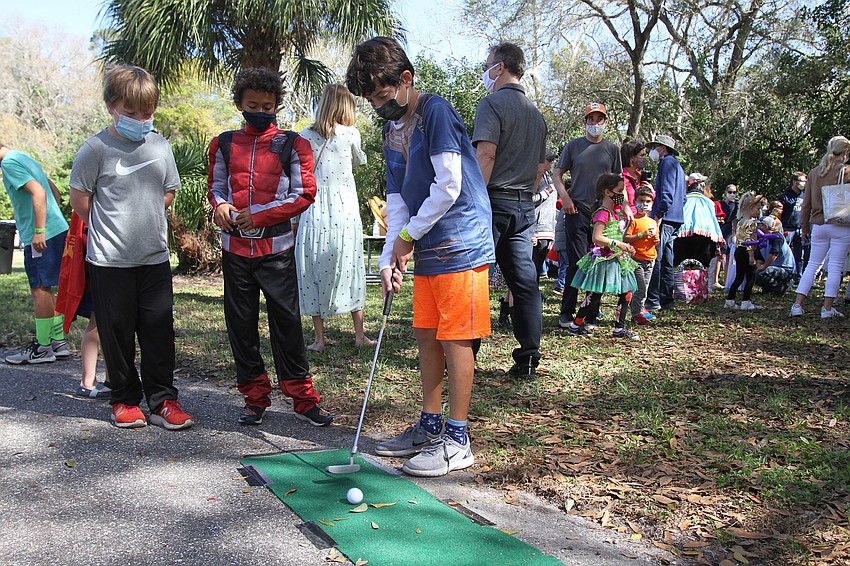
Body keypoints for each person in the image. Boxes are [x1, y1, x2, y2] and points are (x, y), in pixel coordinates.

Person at [346, 37, 495, 476]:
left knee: (456, 338)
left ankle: (457, 438)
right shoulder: (392, 130)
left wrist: (408, 236)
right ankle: (430, 427)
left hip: (461, 242)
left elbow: (448, 186)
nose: (377, 105)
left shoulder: (436, 112)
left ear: (405, 80)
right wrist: (390, 252)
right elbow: (396, 198)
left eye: (381, 94)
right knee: (427, 335)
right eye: (370, 98)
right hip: (426, 244)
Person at [69, 65, 193, 429]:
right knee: (117, 331)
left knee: (158, 331)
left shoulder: (159, 144)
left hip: (153, 257)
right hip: (109, 259)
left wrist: (144, 215)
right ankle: (124, 399)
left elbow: (168, 190)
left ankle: (163, 402)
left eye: (147, 113)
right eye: (131, 112)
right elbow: (80, 199)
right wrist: (113, 224)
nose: (140, 120)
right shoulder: (95, 149)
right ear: (111, 106)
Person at [208, 67, 333, 427]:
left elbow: (304, 193)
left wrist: (259, 215)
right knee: (241, 325)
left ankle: (303, 399)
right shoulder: (224, 142)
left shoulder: (295, 144)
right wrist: (220, 206)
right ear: (239, 104)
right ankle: (254, 396)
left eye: (267, 105)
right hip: (234, 252)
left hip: (276, 252)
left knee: (287, 324)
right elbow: (216, 185)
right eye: (252, 104)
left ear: (277, 105)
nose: (260, 111)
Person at [472, 42, 547, 378]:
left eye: (487, 64)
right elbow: (539, 168)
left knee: (475, 279)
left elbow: (485, 155)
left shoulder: (491, 104)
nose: (485, 70)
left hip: (492, 202)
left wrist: (472, 200)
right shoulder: (536, 114)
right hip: (523, 206)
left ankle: (465, 355)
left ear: (499, 67)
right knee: (524, 282)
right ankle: (529, 356)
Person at [294, 84, 374, 352]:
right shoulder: (351, 133)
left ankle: (319, 338)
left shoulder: (303, 135)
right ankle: (359, 334)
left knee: (313, 267)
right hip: (344, 208)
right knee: (351, 265)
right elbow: (358, 161)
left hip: (314, 208)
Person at [554, 103, 623, 328]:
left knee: (599, 264)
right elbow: (557, 174)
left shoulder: (612, 149)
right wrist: (565, 197)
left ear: (605, 122)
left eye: (599, 119)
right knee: (576, 263)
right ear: (584, 122)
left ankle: (591, 314)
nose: (595, 123)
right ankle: (567, 314)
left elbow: (618, 183)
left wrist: (622, 208)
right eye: (590, 119)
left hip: (602, 214)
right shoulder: (574, 146)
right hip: (576, 210)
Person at [1, 143, 70, 364]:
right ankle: (57, 341)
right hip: (56, 229)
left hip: (41, 233)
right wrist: (50, 222)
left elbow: (39, 192)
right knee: (48, 285)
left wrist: (40, 230)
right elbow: (53, 191)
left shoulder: (9, 163)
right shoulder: (22, 156)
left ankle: (42, 348)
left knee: (39, 288)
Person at [564, 173, 639, 339]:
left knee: (626, 292)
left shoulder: (615, 213)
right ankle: (576, 325)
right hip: (604, 260)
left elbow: (617, 235)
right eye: (619, 191)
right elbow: (596, 238)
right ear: (607, 192)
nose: (622, 196)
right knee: (595, 294)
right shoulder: (602, 213)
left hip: (618, 259)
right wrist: (617, 244)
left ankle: (619, 328)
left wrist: (625, 247)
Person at [790, 136, 850, 318]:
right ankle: (827, 308)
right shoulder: (847, 172)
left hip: (818, 225)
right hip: (841, 224)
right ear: (846, 152)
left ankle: (797, 305)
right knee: (835, 267)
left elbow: (806, 204)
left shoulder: (815, 173)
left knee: (812, 265)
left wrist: (805, 227)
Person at [55, 211, 111, 398]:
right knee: (98, 323)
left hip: (105, 263)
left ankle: (113, 380)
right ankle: (87, 382)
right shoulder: (92, 198)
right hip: (98, 266)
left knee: (112, 325)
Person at [645, 134, 686, 312]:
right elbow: (682, 198)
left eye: (654, 147)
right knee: (667, 260)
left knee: (656, 257)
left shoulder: (667, 163)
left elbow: (666, 193)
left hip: (666, 217)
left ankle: (653, 299)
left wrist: (659, 214)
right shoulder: (678, 166)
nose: (652, 151)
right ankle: (666, 298)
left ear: (662, 148)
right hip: (676, 217)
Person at [673, 173, 724, 269]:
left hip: (683, 235)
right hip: (705, 237)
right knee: (700, 268)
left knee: (681, 267)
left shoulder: (682, 200)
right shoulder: (709, 203)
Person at [625, 186, 659, 325]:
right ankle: (636, 314)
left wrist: (656, 240)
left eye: (648, 201)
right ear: (635, 201)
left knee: (644, 287)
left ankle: (638, 311)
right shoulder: (633, 220)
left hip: (650, 259)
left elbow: (656, 240)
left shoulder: (652, 222)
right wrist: (641, 235)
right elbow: (626, 238)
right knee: (640, 288)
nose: (644, 204)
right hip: (636, 259)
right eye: (641, 200)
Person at [725, 191, 763, 310]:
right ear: (751, 208)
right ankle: (746, 301)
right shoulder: (751, 223)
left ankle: (730, 299)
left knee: (739, 276)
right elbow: (749, 238)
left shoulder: (740, 221)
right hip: (747, 251)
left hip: (738, 250)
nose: (759, 210)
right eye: (758, 208)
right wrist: (751, 255)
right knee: (750, 277)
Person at [531, 152, 558, 279]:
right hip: (537, 229)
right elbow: (529, 199)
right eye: (548, 160)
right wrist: (546, 192)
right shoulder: (535, 176)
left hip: (548, 229)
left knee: (538, 264)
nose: (551, 163)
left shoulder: (549, 177)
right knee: (533, 266)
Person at [779, 172, 808, 283]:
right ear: (794, 182)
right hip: (787, 228)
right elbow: (779, 213)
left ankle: (798, 277)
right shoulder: (785, 196)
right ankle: (783, 276)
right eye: (801, 181)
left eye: (805, 181)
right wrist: (780, 228)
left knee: (799, 255)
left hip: (800, 229)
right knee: (784, 252)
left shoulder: (804, 195)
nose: (803, 183)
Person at [754, 215, 795, 296]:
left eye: (759, 225)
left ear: (765, 226)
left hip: (785, 269)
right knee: (754, 273)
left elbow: (774, 253)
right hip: (772, 267)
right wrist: (759, 265)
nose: (756, 227)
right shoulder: (762, 238)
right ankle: (769, 289)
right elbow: (759, 256)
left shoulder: (776, 237)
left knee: (761, 274)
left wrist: (764, 266)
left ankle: (780, 287)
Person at [621, 139, 650, 215]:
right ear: (632, 158)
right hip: (626, 219)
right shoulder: (621, 177)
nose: (645, 158)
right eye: (642, 155)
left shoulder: (641, 177)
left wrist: (650, 191)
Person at [719, 184, 738, 285]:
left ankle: (726, 280)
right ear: (726, 192)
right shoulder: (720, 204)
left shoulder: (736, 205)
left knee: (728, 256)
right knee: (720, 255)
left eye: (734, 192)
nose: (732, 194)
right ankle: (715, 280)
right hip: (722, 229)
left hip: (731, 231)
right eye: (730, 192)